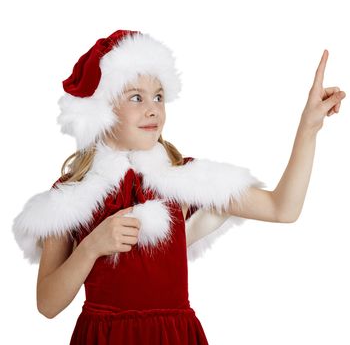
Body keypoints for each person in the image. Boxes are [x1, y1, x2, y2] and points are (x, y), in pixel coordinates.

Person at [11, 29, 346, 344]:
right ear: (102, 110)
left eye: (158, 96)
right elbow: (48, 304)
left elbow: (281, 208)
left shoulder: (183, 181)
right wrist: (91, 247)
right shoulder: (69, 197)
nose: (153, 109)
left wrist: (308, 128)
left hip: (174, 336)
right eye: (136, 97)